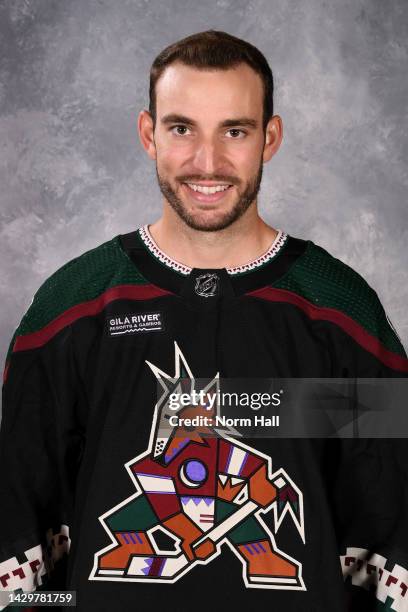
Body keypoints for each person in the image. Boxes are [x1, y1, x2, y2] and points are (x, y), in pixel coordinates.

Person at [1, 30, 407, 612]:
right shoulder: (70, 308)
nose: (207, 162)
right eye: (182, 128)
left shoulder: (343, 311)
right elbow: (20, 543)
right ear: (149, 134)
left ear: (270, 138)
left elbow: (391, 534)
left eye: (234, 131)